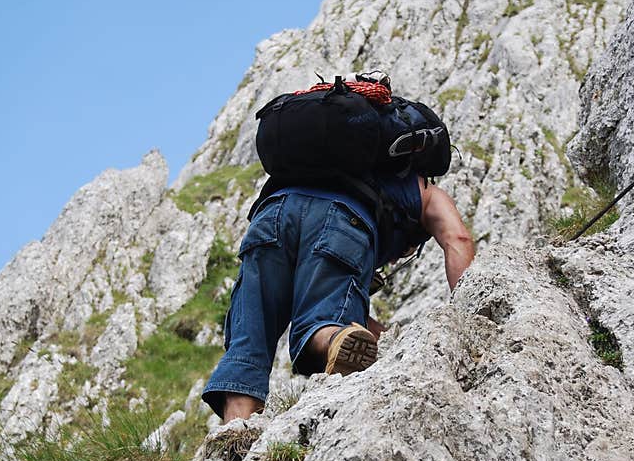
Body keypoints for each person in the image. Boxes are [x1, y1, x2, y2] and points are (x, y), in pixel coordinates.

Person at [202, 93, 475, 424]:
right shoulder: (420, 188)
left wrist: (390, 343)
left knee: (249, 340)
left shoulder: (311, 163)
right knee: (324, 321)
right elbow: (456, 238)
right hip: (341, 220)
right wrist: (470, 318)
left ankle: (236, 435)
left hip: (271, 218)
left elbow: (355, 317)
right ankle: (331, 334)